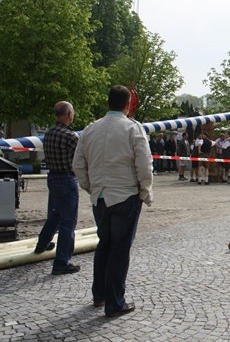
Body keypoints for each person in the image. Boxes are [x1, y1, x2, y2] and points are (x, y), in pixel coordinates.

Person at [73, 85, 153, 318]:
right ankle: (115, 302)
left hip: (100, 196)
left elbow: (78, 164)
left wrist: (91, 186)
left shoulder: (90, 129)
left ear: (108, 102)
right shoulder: (133, 128)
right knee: (119, 249)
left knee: (104, 245)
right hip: (125, 195)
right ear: (128, 104)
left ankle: (99, 295)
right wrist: (145, 191)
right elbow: (144, 164)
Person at [34, 101, 81, 275]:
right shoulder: (71, 136)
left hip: (52, 178)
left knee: (56, 214)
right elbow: (81, 159)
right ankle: (62, 262)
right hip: (67, 179)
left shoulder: (49, 134)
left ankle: (42, 244)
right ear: (69, 114)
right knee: (68, 221)